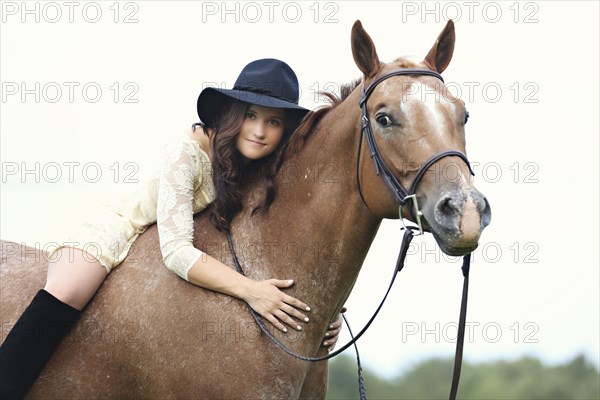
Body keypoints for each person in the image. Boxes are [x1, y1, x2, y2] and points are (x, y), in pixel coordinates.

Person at [0, 58, 344, 399]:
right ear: (234, 114)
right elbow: (177, 251)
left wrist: (323, 313)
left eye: (273, 121)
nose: (258, 130)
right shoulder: (187, 152)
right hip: (119, 229)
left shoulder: (259, 168)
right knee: (70, 288)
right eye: (251, 115)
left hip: (165, 240)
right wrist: (253, 291)